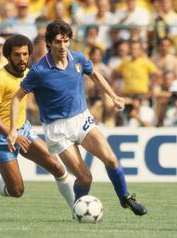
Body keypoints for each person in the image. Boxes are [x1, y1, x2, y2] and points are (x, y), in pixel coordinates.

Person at [8, 20, 147, 216]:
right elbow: (17, 98)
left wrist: (113, 96)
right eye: (58, 42)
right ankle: (77, 209)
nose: (63, 46)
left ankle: (125, 198)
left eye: (66, 41)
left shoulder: (78, 59)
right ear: (49, 43)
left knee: (112, 160)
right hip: (57, 129)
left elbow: (95, 74)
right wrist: (13, 129)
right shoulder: (39, 71)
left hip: (82, 119)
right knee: (85, 178)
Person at [0, 35, 75, 212]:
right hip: (0, 137)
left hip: (24, 131)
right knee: (16, 191)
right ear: (8, 56)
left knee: (58, 167)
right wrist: (11, 134)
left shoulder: (30, 73)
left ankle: (76, 210)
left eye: (25, 54)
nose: (22, 59)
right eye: (17, 55)